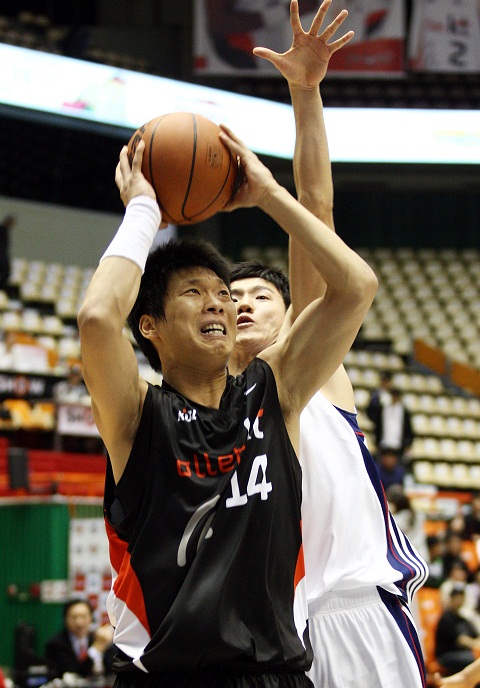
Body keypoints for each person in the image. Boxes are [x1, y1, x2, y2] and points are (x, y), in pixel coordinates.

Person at [77, 68, 377, 688]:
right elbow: (99, 316)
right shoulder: (136, 416)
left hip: (275, 673)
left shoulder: (275, 391)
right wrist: (144, 210)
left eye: (223, 292)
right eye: (195, 292)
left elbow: (356, 286)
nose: (219, 302)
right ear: (152, 326)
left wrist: (267, 193)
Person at [228, 2, 428, 687]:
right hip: (276, 629)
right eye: (231, 297)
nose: (244, 302)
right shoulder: (206, 406)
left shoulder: (307, 365)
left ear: (293, 316)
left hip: (358, 614)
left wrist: (306, 94)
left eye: (261, 296)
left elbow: (316, 206)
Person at [45, 598, 115, 680]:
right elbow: (71, 674)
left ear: (91, 618)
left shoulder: (98, 638)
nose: (79, 623)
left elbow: (112, 671)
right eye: (74, 617)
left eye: (83, 617)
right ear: (65, 619)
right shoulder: (55, 645)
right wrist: (95, 650)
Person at [435, 585, 480, 676]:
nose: (459, 600)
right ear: (451, 598)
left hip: (465, 653)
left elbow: (476, 636)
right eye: (457, 597)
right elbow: (461, 641)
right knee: (475, 660)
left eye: (461, 597)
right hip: (447, 655)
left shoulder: (463, 619)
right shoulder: (446, 618)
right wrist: (476, 644)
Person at [0, 214, 15, 292]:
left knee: (6, 273)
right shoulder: (2, 230)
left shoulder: (5, 230)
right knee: (5, 271)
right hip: (1, 255)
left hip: (3, 255)